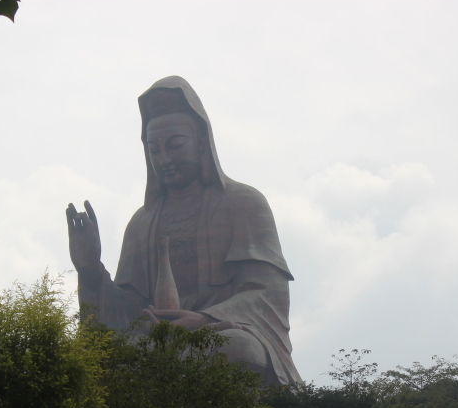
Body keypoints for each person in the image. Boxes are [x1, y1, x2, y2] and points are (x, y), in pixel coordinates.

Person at [67, 76, 301, 386]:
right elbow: (130, 311)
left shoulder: (243, 202)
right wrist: (92, 272)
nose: (164, 159)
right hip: (155, 343)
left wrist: (204, 320)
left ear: (202, 142)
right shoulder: (141, 223)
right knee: (91, 360)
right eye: (154, 150)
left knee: (238, 349)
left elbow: (268, 295)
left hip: (220, 333)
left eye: (175, 145)